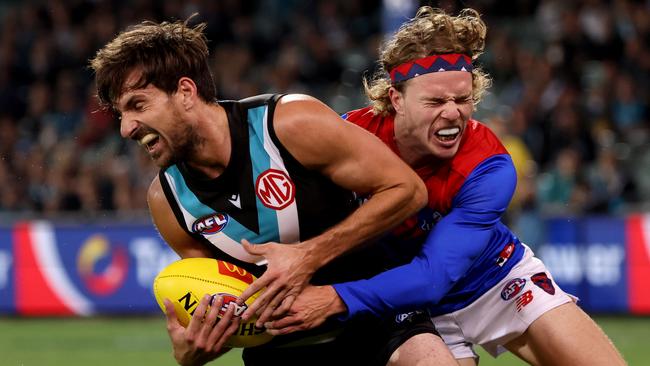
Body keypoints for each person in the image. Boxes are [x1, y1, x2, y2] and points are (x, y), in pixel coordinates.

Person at [261, 7, 627, 366]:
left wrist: (333, 297)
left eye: (463, 99)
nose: (453, 113)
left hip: (494, 280)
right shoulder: (348, 137)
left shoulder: (489, 166)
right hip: (401, 301)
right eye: (436, 101)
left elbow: (434, 276)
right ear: (396, 99)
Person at [89, 17, 458, 366]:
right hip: (282, 349)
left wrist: (307, 256)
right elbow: (225, 301)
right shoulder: (167, 202)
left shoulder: (288, 125)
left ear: (185, 91)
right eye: (120, 113)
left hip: (376, 315)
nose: (126, 128)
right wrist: (196, 351)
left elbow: (407, 190)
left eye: (138, 105)